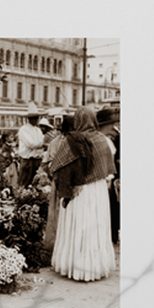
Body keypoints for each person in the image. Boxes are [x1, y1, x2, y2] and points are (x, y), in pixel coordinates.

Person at [50, 106, 116, 281]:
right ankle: (95, 267)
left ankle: (74, 266)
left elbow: (55, 165)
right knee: (95, 226)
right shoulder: (102, 140)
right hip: (98, 190)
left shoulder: (72, 140)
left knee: (79, 224)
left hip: (79, 191)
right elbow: (108, 168)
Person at [42, 115, 74, 251]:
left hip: (57, 181)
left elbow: (46, 163)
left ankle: (56, 244)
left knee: (56, 212)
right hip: (70, 182)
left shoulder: (54, 142)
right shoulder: (72, 141)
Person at [97, 107, 120, 244]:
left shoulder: (106, 139)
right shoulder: (103, 140)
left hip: (108, 180)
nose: (113, 126)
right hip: (104, 180)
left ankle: (111, 235)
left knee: (110, 208)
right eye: (111, 123)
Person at [17, 106, 44, 186]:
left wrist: (40, 144)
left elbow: (41, 141)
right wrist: (41, 144)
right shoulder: (23, 129)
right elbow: (31, 144)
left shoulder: (38, 130)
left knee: (35, 182)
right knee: (24, 182)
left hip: (37, 159)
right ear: (31, 119)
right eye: (36, 118)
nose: (37, 120)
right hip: (27, 160)